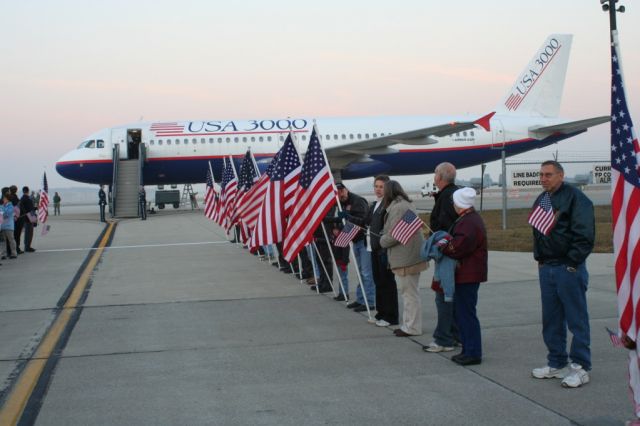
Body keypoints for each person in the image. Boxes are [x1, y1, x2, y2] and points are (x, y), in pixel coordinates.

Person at [530, 160, 595, 388]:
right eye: (541, 175)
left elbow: (585, 234)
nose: (543, 179)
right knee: (551, 319)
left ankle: (580, 367)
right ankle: (556, 362)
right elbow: (538, 233)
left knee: (576, 319)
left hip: (568, 269)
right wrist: (539, 259)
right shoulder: (542, 199)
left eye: (548, 174)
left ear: (560, 175)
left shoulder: (576, 198)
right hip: (546, 268)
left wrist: (572, 262)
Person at [441, 187, 487, 366]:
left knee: (466, 314)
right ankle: (468, 350)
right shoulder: (468, 219)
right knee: (464, 314)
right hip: (467, 273)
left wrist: (443, 245)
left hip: (468, 274)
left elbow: (458, 247)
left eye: (454, 202)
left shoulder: (468, 222)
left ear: (460, 204)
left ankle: (473, 352)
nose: (453, 205)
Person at [380, 180, 427, 336]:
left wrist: (382, 241)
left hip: (407, 257)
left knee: (409, 294)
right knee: (409, 293)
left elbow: (394, 234)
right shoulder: (403, 204)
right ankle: (408, 324)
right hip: (409, 255)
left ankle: (412, 327)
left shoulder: (399, 208)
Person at [424, 162, 460, 353]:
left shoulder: (447, 197)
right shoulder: (452, 194)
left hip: (447, 255)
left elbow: (446, 228)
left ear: (439, 177)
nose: (434, 177)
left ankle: (444, 339)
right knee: (451, 298)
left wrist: (435, 244)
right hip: (452, 253)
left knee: (443, 297)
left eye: (435, 173)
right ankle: (456, 335)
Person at [331, 183, 374, 312]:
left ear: (346, 190)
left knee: (366, 273)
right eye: (337, 192)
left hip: (364, 240)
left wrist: (347, 216)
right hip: (354, 241)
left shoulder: (358, 201)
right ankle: (361, 299)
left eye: (341, 191)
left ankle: (370, 301)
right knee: (361, 272)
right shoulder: (341, 203)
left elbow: (364, 221)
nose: (340, 194)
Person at [368, 175, 398, 327]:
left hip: (384, 250)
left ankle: (391, 316)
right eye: (376, 186)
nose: (378, 190)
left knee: (387, 283)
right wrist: (348, 217)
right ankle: (381, 313)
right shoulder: (374, 204)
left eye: (381, 187)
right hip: (374, 249)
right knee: (378, 282)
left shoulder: (388, 205)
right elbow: (365, 222)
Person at [17, 186, 36, 253]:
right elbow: (30, 209)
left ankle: (27, 246)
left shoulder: (22, 198)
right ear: (28, 191)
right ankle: (27, 247)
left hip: (26, 217)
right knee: (29, 233)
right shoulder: (27, 199)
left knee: (28, 233)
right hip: (29, 217)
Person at [1, 188, 18, 259]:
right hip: (2, 226)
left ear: (7, 199)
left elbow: (7, 214)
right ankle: (3, 254)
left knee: (11, 240)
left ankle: (14, 253)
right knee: (2, 241)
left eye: (4, 199)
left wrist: (2, 213)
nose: (3, 200)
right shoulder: (1, 206)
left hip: (9, 226)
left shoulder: (11, 206)